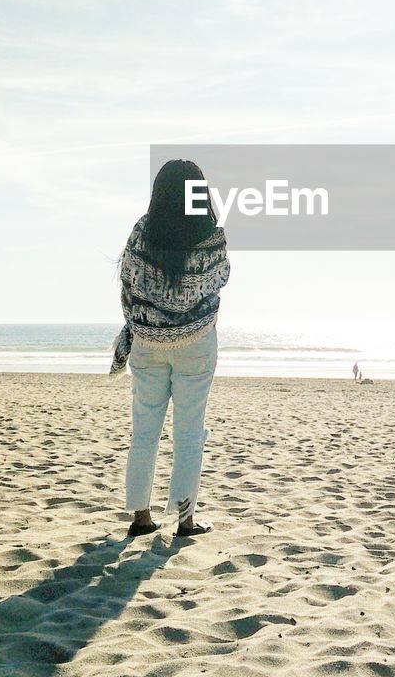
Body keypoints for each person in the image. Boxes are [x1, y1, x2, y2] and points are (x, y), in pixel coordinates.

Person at [117, 160, 230, 539]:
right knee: (189, 433)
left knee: (144, 430)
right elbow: (218, 281)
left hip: (148, 342)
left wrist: (138, 323)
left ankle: (141, 517)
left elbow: (128, 280)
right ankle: (184, 520)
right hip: (196, 341)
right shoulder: (210, 234)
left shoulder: (141, 232)